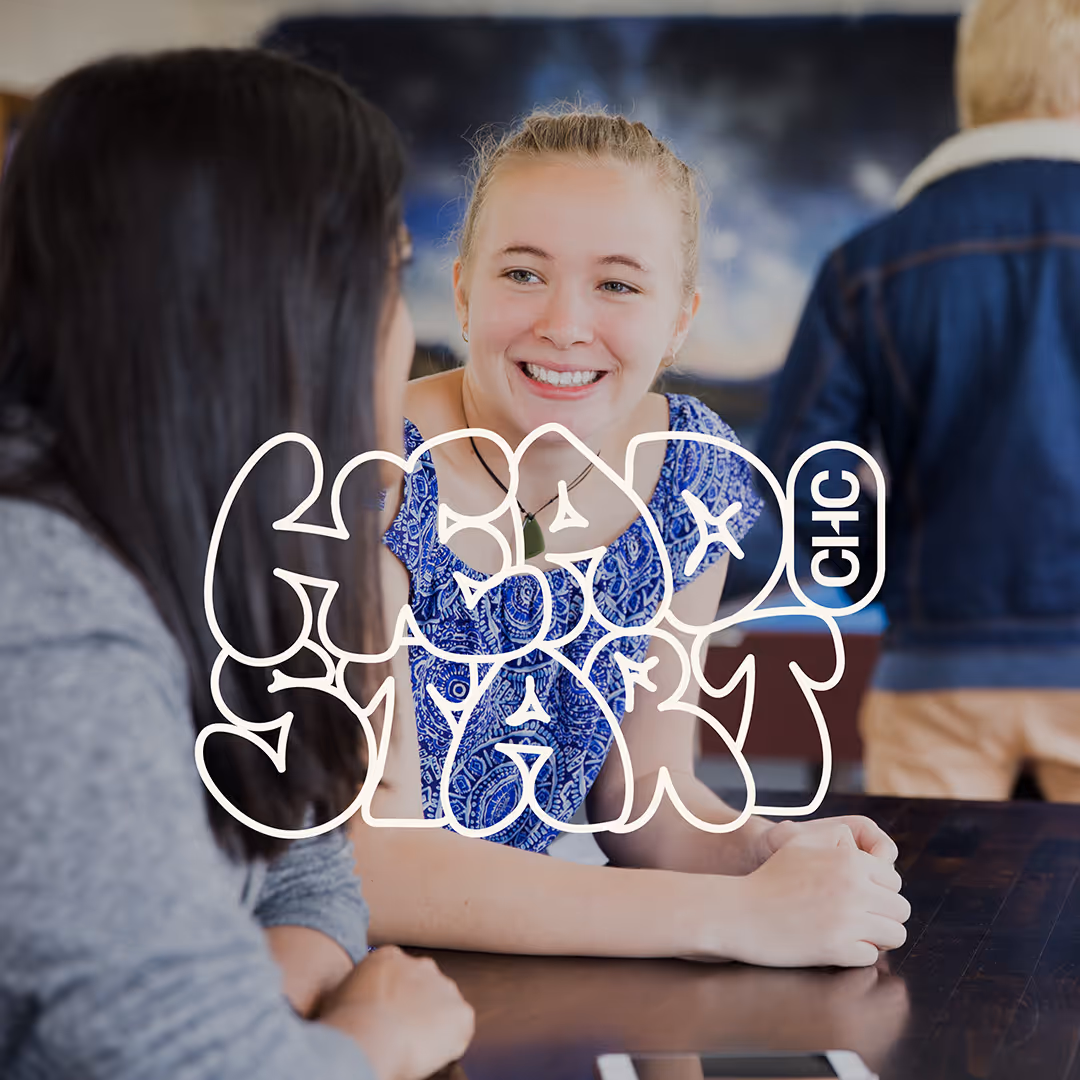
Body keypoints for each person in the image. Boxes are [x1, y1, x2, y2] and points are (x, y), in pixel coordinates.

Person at [0, 50, 473, 1080]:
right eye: (389, 281)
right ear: (278, 314)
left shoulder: (195, 549)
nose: (409, 338)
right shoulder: (42, 603)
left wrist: (247, 1016)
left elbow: (311, 872)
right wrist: (372, 1041)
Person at [354, 108, 910, 968]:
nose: (566, 324)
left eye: (617, 285)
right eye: (523, 273)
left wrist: (771, 853)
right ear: (463, 292)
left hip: (523, 977)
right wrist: (744, 918)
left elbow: (646, 801)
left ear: (679, 320)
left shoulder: (691, 477)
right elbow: (367, 864)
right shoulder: (367, 476)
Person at [758, 0, 1080, 801]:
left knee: (935, 921)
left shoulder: (867, 264)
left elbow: (802, 479)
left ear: (975, 84)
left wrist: (887, 569)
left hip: (935, 674)